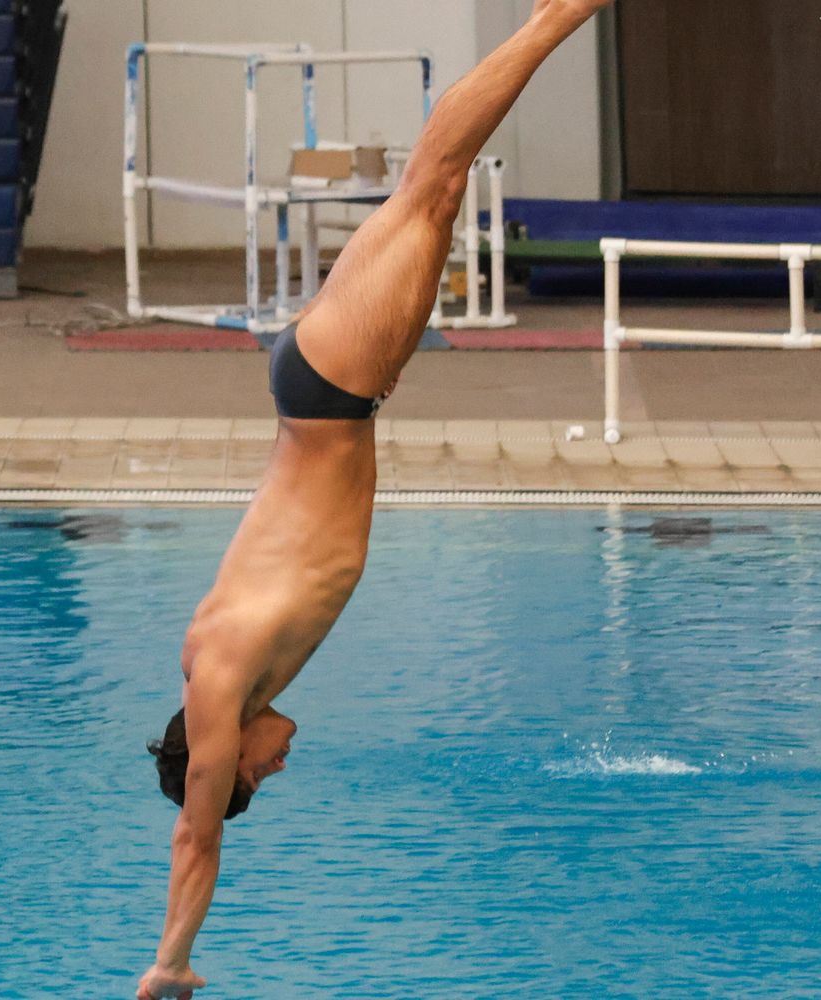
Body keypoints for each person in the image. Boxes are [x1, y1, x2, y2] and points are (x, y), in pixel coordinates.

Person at [138, 2, 615, 997]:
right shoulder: (238, 672)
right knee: (429, 200)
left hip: (327, 389)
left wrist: (169, 962)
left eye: (249, 781)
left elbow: (193, 834)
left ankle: (559, 15)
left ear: (217, 759)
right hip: (334, 393)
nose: (271, 772)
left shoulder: (218, 681)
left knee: (429, 188)